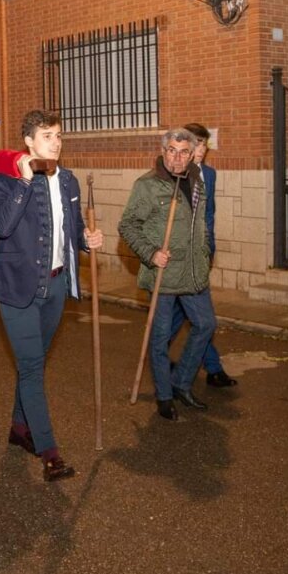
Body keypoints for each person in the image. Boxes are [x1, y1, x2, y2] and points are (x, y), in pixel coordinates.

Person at [0, 110, 104, 482]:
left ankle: (20, 428)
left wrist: (87, 240)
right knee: (33, 368)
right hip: (17, 288)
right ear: (30, 142)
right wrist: (23, 181)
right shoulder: (4, 179)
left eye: (59, 135)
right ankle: (49, 452)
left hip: (55, 287)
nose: (56, 142)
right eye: (48, 136)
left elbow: (73, 228)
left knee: (32, 363)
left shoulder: (67, 180)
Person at [118, 128, 218, 421]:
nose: (177, 157)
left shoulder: (197, 180)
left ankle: (181, 383)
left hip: (193, 273)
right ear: (163, 152)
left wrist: (206, 248)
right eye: (171, 151)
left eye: (183, 152)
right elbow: (128, 226)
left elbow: (201, 221)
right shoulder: (148, 186)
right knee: (160, 337)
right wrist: (150, 254)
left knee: (205, 324)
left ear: (192, 154)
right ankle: (164, 396)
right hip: (162, 274)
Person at [167, 123, 236, 388]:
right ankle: (210, 368)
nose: (200, 149)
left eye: (204, 144)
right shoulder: (174, 173)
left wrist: (209, 249)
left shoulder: (210, 173)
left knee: (187, 314)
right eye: (195, 143)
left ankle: (159, 353)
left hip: (201, 255)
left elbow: (209, 215)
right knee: (196, 316)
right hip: (179, 257)